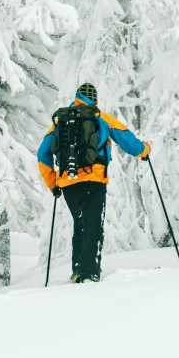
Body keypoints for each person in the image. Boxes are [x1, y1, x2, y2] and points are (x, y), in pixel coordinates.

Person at [37, 83, 150, 283]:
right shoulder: (99, 117)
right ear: (94, 99)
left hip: (68, 182)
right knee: (93, 226)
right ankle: (89, 273)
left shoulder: (60, 121)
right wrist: (144, 151)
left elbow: (42, 154)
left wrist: (53, 184)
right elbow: (126, 138)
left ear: (76, 97)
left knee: (80, 224)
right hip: (94, 179)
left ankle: (77, 271)